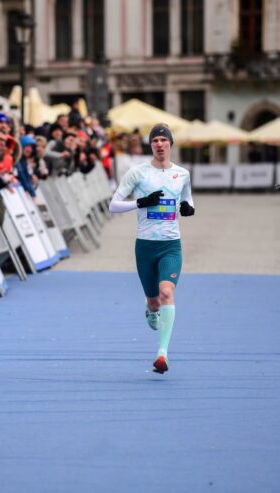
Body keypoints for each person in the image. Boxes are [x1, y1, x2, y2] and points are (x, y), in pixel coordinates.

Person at [108, 123, 195, 374]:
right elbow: (113, 205)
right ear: (151, 145)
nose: (159, 144)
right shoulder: (137, 173)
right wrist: (141, 202)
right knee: (155, 302)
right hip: (145, 246)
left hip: (171, 245)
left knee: (166, 293)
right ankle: (150, 309)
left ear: (170, 144)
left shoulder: (182, 174)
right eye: (155, 140)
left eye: (163, 140)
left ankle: (162, 354)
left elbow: (187, 198)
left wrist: (189, 208)